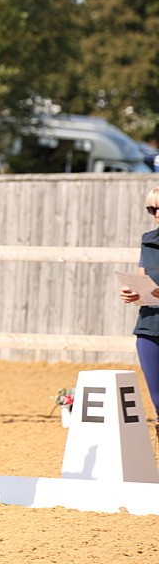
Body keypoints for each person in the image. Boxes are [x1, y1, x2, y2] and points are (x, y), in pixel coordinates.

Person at [119, 184, 159, 443]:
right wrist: (132, 293)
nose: (156, 213)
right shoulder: (148, 240)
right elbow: (144, 281)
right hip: (149, 326)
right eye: (151, 208)